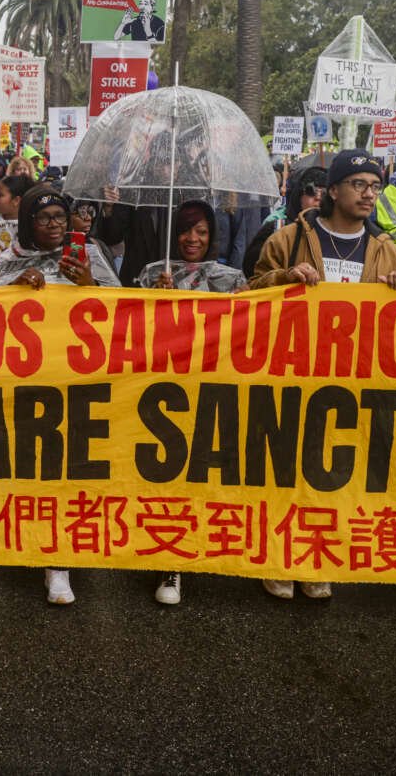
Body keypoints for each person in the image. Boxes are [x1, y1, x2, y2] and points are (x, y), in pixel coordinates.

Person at [251, 150, 396, 601]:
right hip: (292, 376)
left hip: (353, 383)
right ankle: (279, 557)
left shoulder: (387, 249)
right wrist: (284, 277)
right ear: (334, 190)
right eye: (359, 184)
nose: (369, 194)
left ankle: (316, 556)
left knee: (334, 472)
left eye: (375, 187)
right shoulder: (288, 238)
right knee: (284, 470)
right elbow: (250, 293)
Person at [0, 185, 120, 606]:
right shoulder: (9, 262)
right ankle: (33, 543)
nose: (56, 225)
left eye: (61, 217)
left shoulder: (88, 254)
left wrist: (89, 284)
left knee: (70, 468)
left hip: (79, 382)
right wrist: (15, 291)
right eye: (45, 219)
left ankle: (60, 558)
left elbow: (125, 310)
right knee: (33, 467)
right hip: (29, 385)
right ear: (28, 223)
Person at [137, 200, 245, 606]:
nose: (193, 239)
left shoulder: (230, 278)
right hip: (161, 395)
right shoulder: (152, 274)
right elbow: (131, 332)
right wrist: (153, 300)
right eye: (186, 230)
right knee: (166, 474)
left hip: (210, 391)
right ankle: (169, 560)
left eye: (202, 231)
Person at [242, 166, 326, 278]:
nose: (318, 198)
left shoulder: (338, 234)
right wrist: (286, 276)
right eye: (311, 191)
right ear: (298, 195)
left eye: (324, 193)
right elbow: (253, 272)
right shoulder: (276, 228)